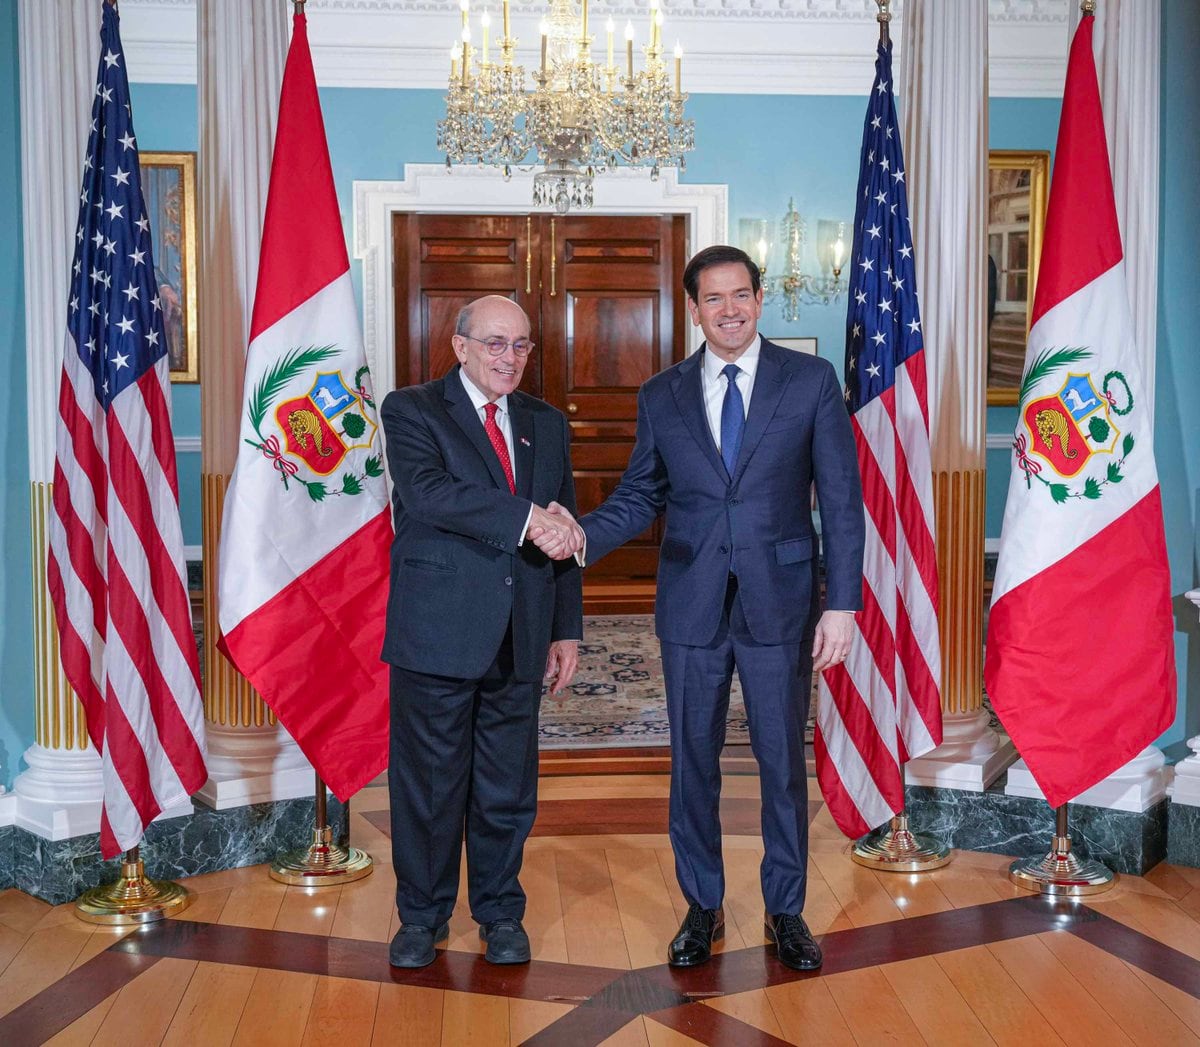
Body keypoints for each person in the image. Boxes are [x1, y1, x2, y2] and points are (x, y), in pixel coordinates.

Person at [538, 245, 864, 971]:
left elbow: (842, 502)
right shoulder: (663, 393)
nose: (730, 309)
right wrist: (581, 530)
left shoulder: (809, 382)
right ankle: (702, 904)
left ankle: (785, 911)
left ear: (759, 297)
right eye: (713, 299)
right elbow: (642, 492)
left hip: (782, 604)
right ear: (693, 309)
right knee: (693, 763)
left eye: (741, 294)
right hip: (690, 607)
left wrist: (841, 604)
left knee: (781, 762)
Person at [380, 295, 583, 969]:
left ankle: (500, 911)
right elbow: (433, 494)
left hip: (521, 631)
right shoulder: (410, 409)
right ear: (460, 346)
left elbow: (567, 530)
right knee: (430, 787)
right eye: (495, 343)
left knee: (506, 789)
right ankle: (422, 916)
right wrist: (530, 517)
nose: (510, 357)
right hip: (437, 632)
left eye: (521, 345)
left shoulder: (545, 423)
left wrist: (566, 629)